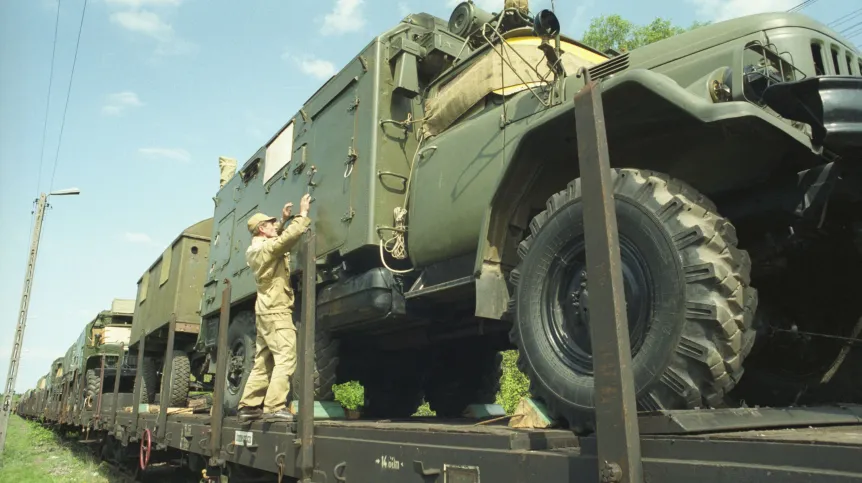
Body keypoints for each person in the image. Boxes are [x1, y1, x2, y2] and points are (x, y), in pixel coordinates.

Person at [236, 193, 312, 422]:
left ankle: (249, 406)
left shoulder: (257, 248)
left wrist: (283, 218)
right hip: (277, 311)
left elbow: (276, 239)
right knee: (286, 357)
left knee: (263, 360)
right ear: (261, 228)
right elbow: (285, 241)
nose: (274, 225)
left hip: (266, 310)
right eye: (270, 223)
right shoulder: (263, 249)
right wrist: (303, 214)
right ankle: (274, 407)